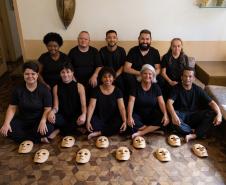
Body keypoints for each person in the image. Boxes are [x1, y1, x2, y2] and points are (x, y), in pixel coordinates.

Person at [0, 62, 54, 143]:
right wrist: (6, 123)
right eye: (27, 74)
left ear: (37, 74)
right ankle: (38, 139)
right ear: (23, 74)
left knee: (48, 129)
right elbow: (12, 107)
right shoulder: (17, 89)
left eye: (33, 74)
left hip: (38, 119)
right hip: (23, 119)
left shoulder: (44, 89)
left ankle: (25, 137)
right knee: (7, 130)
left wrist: (43, 121)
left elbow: (47, 108)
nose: (30, 76)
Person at [167, 67, 222, 142]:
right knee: (171, 116)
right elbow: (169, 103)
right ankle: (198, 131)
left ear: (194, 78)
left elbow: (212, 102)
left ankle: (193, 135)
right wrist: (173, 116)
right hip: (181, 116)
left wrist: (219, 114)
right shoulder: (176, 88)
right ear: (181, 77)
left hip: (194, 116)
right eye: (185, 76)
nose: (187, 79)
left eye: (190, 76)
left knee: (212, 114)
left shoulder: (198, 89)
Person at [127, 64, 169, 138]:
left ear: (153, 76)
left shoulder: (156, 87)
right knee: (131, 124)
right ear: (141, 74)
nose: (147, 76)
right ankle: (152, 130)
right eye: (145, 73)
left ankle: (142, 132)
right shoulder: (135, 86)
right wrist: (129, 116)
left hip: (151, 113)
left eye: (150, 74)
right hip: (138, 114)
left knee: (165, 119)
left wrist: (165, 114)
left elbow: (161, 102)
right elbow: (131, 102)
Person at [86, 67, 127, 139]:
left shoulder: (118, 90)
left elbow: (122, 107)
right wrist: (88, 121)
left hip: (113, 118)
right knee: (92, 123)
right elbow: (91, 106)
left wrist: (125, 121)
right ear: (101, 79)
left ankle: (99, 133)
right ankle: (108, 131)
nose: (107, 79)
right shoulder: (96, 90)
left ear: (113, 78)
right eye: (104, 77)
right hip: (100, 118)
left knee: (120, 123)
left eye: (110, 76)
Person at [47, 62, 86, 136]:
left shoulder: (79, 86)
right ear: (60, 74)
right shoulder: (56, 87)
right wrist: (52, 112)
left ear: (72, 73)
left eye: (68, 72)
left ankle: (59, 130)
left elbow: (83, 106)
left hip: (76, 115)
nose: (65, 75)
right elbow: (56, 107)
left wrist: (83, 114)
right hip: (62, 116)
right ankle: (74, 129)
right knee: (51, 118)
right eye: (63, 72)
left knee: (84, 119)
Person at [68, 31, 102, 96]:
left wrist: (94, 75)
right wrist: (73, 79)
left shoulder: (94, 51)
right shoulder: (72, 52)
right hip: (76, 79)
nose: (83, 40)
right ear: (78, 40)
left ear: (89, 40)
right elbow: (68, 67)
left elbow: (99, 66)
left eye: (86, 39)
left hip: (91, 79)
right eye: (81, 38)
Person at [99, 30, 126, 94]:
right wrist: (108, 77)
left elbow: (123, 65)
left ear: (117, 39)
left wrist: (114, 76)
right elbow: (101, 66)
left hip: (118, 75)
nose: (112, 40)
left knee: (122, 84)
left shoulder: (121, 50)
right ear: (106, 39)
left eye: (114, 37)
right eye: (109, 37)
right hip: (106, 75)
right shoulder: (102, 51)